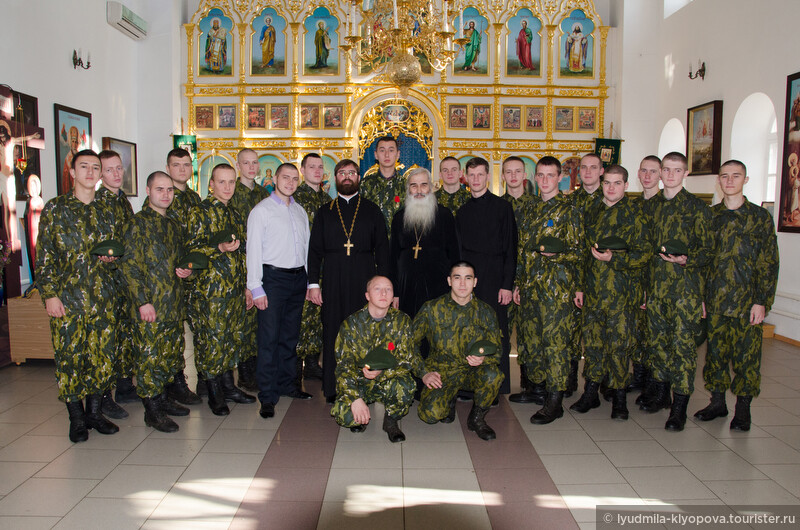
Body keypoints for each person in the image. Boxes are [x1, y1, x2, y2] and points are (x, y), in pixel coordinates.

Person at [36, 149, 120, 443]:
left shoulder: (108, 210)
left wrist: (112, 260)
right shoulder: (56, 209)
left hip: (103, 298)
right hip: (67, 301)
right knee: (70, 360)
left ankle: (95, 414)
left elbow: (119, 250)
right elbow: (44, 258)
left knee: (102, 359)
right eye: (83, 167)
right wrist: (49, 295)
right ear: (72, 172)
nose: (90, 172)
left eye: (95, 167)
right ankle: (76, 418)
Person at [693, 160, 779, 431]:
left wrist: (762, 300)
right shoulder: (711, 216)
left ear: (746, 179)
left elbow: (768, 262)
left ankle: (743, 409)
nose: (729, 181)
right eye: (725, 176)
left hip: (746, 303)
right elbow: (703, 261)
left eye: (736, 176)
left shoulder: (759, 218)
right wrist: (702, 298)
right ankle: (717, 402)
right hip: (716, 300)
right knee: (715, 356)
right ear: (718, 180)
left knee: (747, 358)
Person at [571, 165, 651, 420]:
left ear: (626, 186)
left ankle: (618, 397)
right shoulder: (591, 211)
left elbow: (644, 254)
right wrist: (580, 286)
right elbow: (583, 253)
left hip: (622, 295)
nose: (611, 188)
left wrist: (613, 259)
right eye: (607, 183)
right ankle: (591, 392)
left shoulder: (635, 214)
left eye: (617, 183)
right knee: (593, 345)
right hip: (594, 293)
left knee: (619, 348)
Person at [307, 159, 390, 402]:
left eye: (351, 173)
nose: (346, 176)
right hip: (333, 278)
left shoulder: (372, 210)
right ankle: (333, 387)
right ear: (335, 178)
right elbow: (314, 251)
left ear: (358, 177)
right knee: (333, 330)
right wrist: (313, 283)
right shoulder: (325, 212)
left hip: (365, 280)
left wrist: (385, 287)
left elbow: (383, 250)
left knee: (365, 333)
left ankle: (365, 386)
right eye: (342, 173)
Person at [118, 171, 194, 433]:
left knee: (169, 356)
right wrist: (142, 302)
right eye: (160, 189)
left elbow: (182, 262)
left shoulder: (173, 226)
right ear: (148, 191)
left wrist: (187, 271)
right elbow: (129, 266)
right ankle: (152, 411)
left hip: (172, 304)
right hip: (150, 306)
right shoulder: (136, 224)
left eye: (170, 190)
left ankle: (164, 400)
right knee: (150, 359)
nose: (166, 194)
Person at [642, 152, 713, 431]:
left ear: (685, 174)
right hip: (657, 289)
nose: (670, 175)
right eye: (666, 169)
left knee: (682, 349)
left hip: (686, 291)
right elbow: (647, 252)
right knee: (658, 344)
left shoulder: (697, 208)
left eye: (676, 170)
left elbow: (708, 251)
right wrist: (646, 291)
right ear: (660, 172)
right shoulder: (652, 207)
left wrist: (687, 259)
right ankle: (660, 395)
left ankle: (680, 405)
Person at [514, 156, 583, 424]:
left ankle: (555, 401)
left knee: (555, 344)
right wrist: (518, 283)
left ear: (559, 178)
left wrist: (559, 256)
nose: (544, 181)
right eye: (540, 176)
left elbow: (579, 252)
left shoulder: (569, 210)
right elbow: (522, 250)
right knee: (532, 341)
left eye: (550, 176)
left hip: (557, 289)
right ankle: (538, 389)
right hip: (530, 287)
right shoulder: (529, 208)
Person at [186, 163, 256, 416]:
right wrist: (218, 249)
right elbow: (190, 251)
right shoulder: (199, 213)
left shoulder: (235, 214)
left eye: (231, 182)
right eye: (222, 182)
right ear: (211, 184)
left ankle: (229, 387)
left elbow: (242, 255)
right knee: (211, 343)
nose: (227, 187)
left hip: (234, 289)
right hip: (209, 291)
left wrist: (248, 286)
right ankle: (215, 393)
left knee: (230, 340)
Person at [247, 163, 312, 420]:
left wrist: (309, 282)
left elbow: (305, 248)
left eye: (295, 179)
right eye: (285, 177)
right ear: (274, 178)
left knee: (289, 337)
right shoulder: (261, 211)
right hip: (272, 279)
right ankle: (267, 396)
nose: (290, 182)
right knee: (269, 339)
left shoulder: (299, 211)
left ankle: (287, 384)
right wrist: (256, 287)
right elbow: (253, 251)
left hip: (297, 279)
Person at [413, 262, 504, 440]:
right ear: (449, 281)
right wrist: (423, 373)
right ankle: (449, 399)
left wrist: (484, 359)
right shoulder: (432, 308)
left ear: (475, 282)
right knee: (429, 415)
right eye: (457, 278)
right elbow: (410, 344)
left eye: (468, 278)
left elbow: (497, 349)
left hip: (472, 371)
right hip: (442, 373)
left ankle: (477, 418)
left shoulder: (486, 312)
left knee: (493, 375)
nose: (462, 284)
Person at [331, 276, 423, 442]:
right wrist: (355, 398)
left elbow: (407, 360)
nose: (383, 293)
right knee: (343, 415)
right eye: (377, 289)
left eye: (388, 289)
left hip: (389, 379)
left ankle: (391, 421)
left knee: (406, 385)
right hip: (359, 381)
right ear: (367, 296)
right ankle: (361, 413)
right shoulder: (351, 324)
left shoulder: (402, 321)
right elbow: (343, 366)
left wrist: (382, 372)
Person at [455, 157, 517, 395]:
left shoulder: (503, 208)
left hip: (494, 278)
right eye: (472, 175)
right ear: (466, 178)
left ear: (488, 176)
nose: (476, 179)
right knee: (468, 328)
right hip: (469, 280)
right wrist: (460, 283)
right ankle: (469, 383)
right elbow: (459, 252)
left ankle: (497, 384)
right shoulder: (462, 211)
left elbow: (511, 250)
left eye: (480, 175)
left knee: (495, 329)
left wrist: (507, 285)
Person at [160, 148, 203, 404]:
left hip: (194, 275)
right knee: (173, 334)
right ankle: (174, 383)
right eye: (177, 165)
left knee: (196, 330)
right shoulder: (163, 197)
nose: (182, 169)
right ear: (168, 168)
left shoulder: (195, 198)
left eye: (186, 165)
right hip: (170, 277)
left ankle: (198, 381)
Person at [499, 156, 543, 405]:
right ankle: (500, 380)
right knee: (502, 332)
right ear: (502, 176)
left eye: (517, 171)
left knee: (529, 334)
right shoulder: (497, 205)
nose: (513, 176)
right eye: (508, 172)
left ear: (524, 175)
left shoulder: (537, 205)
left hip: (530, 280)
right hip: (504, 279)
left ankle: (531, 384)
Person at [96, 150, 136, 418]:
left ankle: (124, 385)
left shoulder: (123, 202)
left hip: (124, 280)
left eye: (119, 168)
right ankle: (103, 397)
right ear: (100, 174)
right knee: (106, 341)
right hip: (105, 281)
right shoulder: (98, 203)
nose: (117, 174)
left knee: (124, 335)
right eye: (110, 170)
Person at [390, 167, 460, 318]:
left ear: (431, 187)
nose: (419, 190)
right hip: (406, 287)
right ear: (408, 189)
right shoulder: (399, 218)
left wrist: (454, 287)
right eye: (413, 185)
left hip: (438, 286)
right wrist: (395, 292)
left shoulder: (444, 215)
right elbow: (392, 258)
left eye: (424, 184)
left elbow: (455, 254)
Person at [228, 149, 270, 393]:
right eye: (247, 163)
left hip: (264, 262)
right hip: (242, 260)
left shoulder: (264, 193)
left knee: (258, 322)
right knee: (244, 321)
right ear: (238, 165)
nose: (252, 167)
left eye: (255, 163)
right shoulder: (234, 194)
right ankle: (244, 373)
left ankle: (256, 367)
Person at [565, 153, 605, 397]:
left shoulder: (611, 199)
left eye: (593, 167)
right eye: (584, 168)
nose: (588, 172)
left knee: (597, 337)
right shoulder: (570, 202)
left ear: (601, 171)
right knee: (571, 333)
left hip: (604, 280)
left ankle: (594, 388)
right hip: (573, 278)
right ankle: (569, 382)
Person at [294, 154, 329, 381]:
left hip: (324, 267)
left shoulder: (327, 200)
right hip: (300, 264)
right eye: (311, 167)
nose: (316, 171)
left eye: (320, 167)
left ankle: (313, 362)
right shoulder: (295, 197)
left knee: (317, 317)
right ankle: (295, 365)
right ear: (302, 170)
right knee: (300, 318)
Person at [630, 155, 662, 402]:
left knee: (658, 336)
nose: (648, 175)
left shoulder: (668, 204)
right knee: (638, 332)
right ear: (639, 174)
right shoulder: (634, 206)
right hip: (636, 279)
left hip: (663, 282)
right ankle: (639, 377)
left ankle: (657, 385)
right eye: (644, 171)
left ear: (661, 174)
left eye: (653, 171)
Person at [360, 135, 405, 230]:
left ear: (398, 154)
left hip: (398, 242)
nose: (387, 155)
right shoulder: (365, 184)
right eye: (382, 150)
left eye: (391, 150)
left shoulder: (406, 185)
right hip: (372, 242)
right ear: (376, 154)